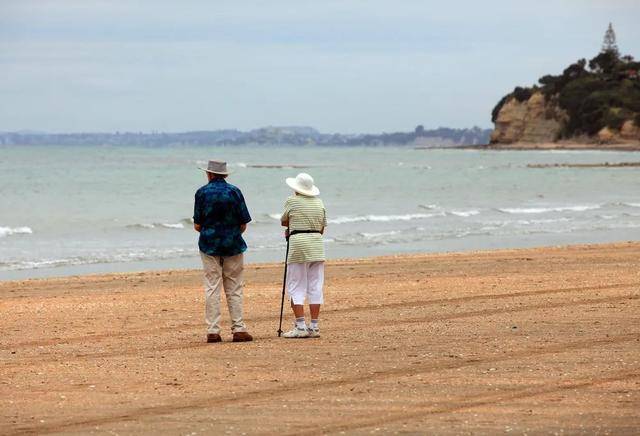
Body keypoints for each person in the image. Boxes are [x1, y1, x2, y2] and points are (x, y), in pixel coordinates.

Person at [193, 160, 253, 343]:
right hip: (233, 243)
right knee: (234, 287)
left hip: (208, 244)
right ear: (225, 175)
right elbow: (243, 223)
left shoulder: (201, 193)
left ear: (209, 174)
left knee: (212, 286)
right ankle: (239, 329)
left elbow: (197, 225)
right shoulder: (234, 192)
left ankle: (213, 330)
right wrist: (232, 233)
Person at [280, 173, 327, 338]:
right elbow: (322, 227)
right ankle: (314, 326)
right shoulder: (319, 202)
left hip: (298, 245)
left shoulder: (291, 201)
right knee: (315, 286)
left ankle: (300, 326)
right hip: (317, 245)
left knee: (296, 285)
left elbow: (284, 221)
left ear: (296, 188)